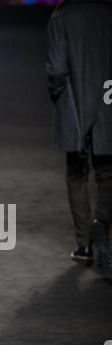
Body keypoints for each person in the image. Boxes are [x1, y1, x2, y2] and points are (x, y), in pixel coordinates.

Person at [46, 0, 112, 270]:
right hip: (109, 98)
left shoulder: (62, 17)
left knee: (76, 173)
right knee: (107, 172)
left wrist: (57, 96)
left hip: (74, 102)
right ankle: (102, 223)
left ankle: (85, 243)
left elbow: (58, 69)